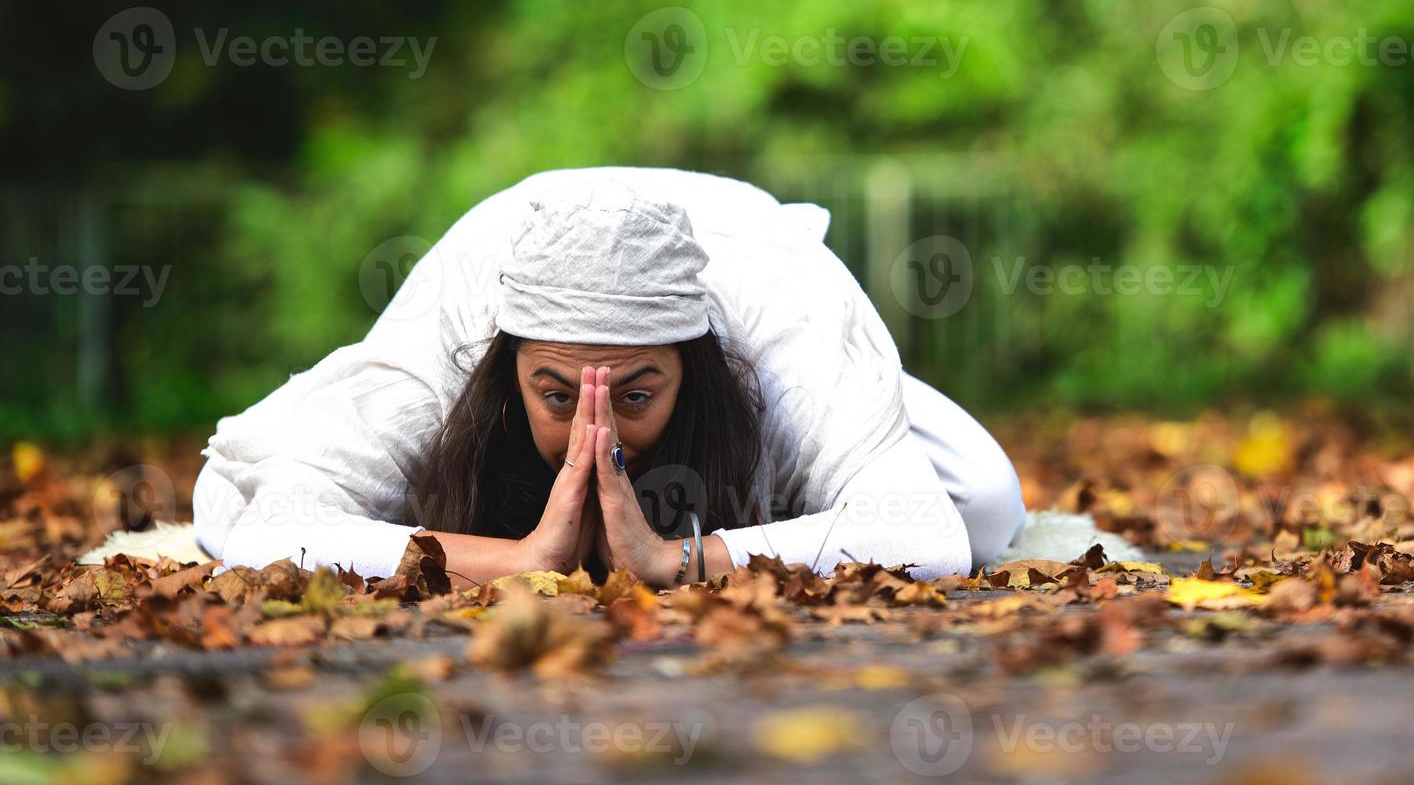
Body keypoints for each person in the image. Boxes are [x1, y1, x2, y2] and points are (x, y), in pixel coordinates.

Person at [191, 167, 1026, 586]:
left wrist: (682, 560)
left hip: (744, 252)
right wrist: (515, 560)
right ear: (502, 373)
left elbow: (928, 538)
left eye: (635, 395)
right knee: (228, 511)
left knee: (983, 504)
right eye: (558, 395)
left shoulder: (781, 341)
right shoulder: (446, 351)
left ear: (694, 375)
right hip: (513, 236)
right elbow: (272, 537)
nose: (597, 431)